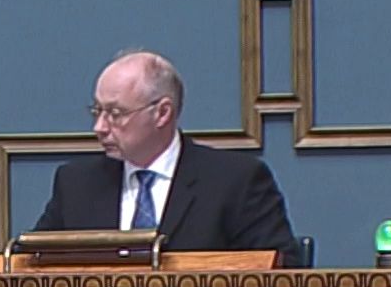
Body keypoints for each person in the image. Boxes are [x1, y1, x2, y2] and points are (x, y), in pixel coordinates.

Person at [32, 51, 299, 261]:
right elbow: (29, 265)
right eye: (97, 111)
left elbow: (279, 270)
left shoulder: (235, 181)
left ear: (162, 113)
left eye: (115, 114)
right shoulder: (76, 184)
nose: (99, 127)